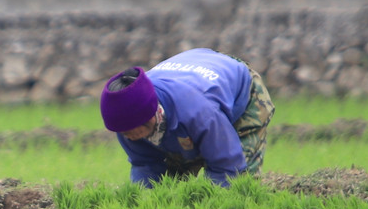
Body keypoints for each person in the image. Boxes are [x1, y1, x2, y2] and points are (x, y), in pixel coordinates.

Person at [99, 48, 274, 187]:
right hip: (191, 78)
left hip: (239, 87)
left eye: (130, 131)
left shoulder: (199, 113)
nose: (127, 137)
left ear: (150, 116)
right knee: (170, 184)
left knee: (240, 182)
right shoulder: (125, 118)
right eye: (122, 133)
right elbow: (144, 165)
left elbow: (227, 167)